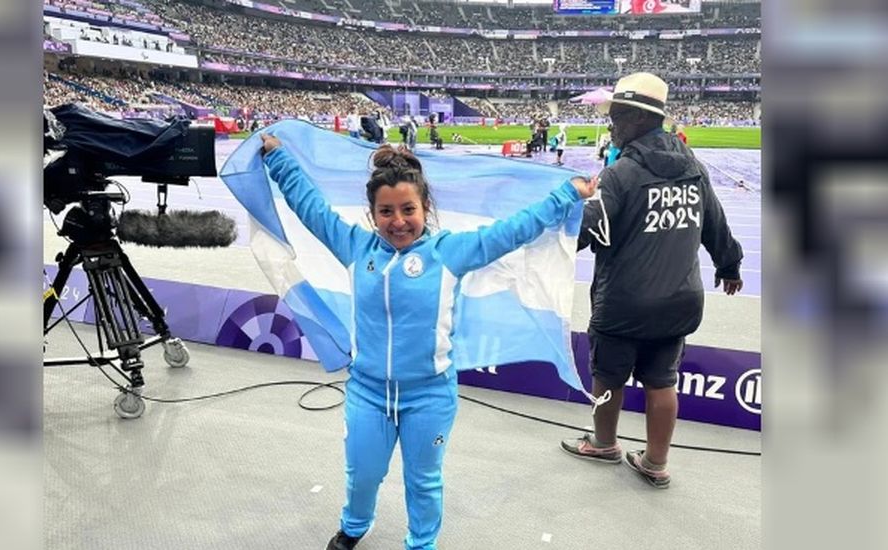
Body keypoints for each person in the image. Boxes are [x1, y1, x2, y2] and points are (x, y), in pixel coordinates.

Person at [258, 133, 597, 549]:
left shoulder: (450, 252)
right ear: (372, 213)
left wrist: (567, 193)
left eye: (407, 210)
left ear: (425, 208)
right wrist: (277, 159)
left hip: (429, 395)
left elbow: (514, 230)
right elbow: (309, 207)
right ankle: (354, 526)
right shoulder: (354, 245)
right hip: (367, 392)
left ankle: (421, 544)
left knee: (423, 479)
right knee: (363, 472)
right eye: (386, 211)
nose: (397, 221)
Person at [559, 72, 744, 489]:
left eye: (618, 117)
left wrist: (555, 223)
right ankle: (656, 462)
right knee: (663, 381)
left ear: (640, 119)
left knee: (608, 378)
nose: (612, 125)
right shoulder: (693, 166)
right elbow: (714, 221)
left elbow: (584, 233)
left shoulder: (619, 175)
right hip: (679, 301)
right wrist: (729, 265)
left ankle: (604, 443)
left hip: (624, 304)